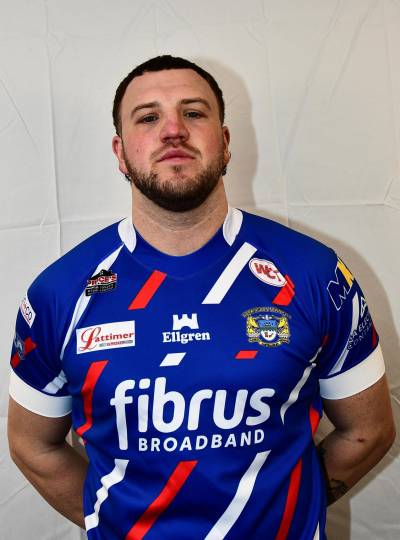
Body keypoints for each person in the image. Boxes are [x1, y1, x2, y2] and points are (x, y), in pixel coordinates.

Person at [8, 55, 395, 540]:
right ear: (120, 152)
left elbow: (368, 431)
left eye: (193, 112)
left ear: (226, 142)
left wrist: (294, 508)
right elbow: (32, 446)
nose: (173, 130)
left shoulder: (316, 274)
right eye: (148, 117)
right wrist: (113, 523)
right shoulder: (59, 294)